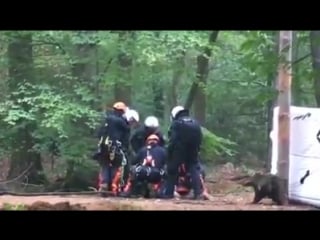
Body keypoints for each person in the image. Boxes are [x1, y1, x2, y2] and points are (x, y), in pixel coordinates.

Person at [162, 105, 207, 200]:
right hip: (193, 148)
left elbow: (173, 140)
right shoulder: (195, 122)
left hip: (179, 149)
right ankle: (198, 192)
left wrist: (169, 152)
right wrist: (197, 150)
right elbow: (200, 137)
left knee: (172, 169)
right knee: (193, 168)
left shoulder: (176, 124)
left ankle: (168, 193)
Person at [93, 101, 131, 195]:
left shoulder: (106, 119)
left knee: (105, 165)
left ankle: (104, 185)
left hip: (103, 147)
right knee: (116, 165)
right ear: (122, 111)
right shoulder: (121, 122)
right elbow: (126, 135)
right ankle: (114, 188)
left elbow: (99, 133)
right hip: (115, 147)